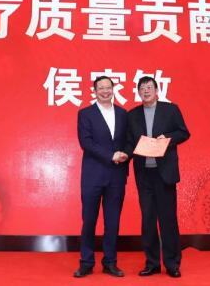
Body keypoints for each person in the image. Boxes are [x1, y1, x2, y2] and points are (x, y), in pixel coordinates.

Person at [125, 76, 190, 278]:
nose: (146, 91)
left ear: (156, 90)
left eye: (149, 87)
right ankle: (152, 263)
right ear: (138, 92)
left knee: (168, 219)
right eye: (142, 88)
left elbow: (184, 133)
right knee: (148, 219)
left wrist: (167, 138)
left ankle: (172, 264)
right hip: (144, 174)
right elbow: (129, 142)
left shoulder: (170, 110)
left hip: (164, 174)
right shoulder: (132, 115)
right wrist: (124, 155)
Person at [74, 76, 129, 278]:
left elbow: (129, 140)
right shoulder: (85, 114)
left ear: (113, 89)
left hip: (117, 175)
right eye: (101, 88)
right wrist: (110, 155)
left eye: (108, 88)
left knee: (112, 222)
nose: (105, 91)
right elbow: (86, 142)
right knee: (89, 220)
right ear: (95, 91)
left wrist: (126, 154)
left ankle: (110, 262)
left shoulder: (123, 114)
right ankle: (86, 262)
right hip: (93, 175)